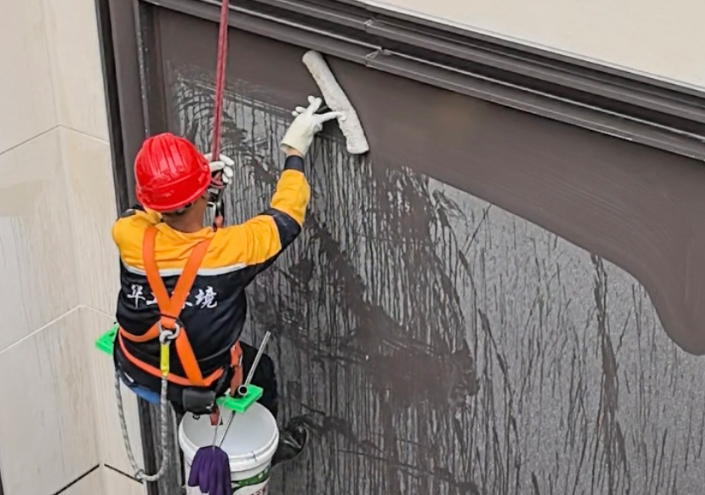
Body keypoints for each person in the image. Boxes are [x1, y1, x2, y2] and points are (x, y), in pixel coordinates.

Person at [111, 96, 342, 466]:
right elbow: (286, 217)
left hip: (137, 365)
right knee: (260, 369)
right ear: (200, 195)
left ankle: (191, 423)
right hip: (200, 379)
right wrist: (294, 151)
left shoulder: (127, 234)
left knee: (179, 363)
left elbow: (144, 212)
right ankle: (265, 451)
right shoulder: (232, 251)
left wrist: (192, 184)